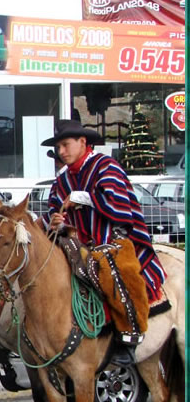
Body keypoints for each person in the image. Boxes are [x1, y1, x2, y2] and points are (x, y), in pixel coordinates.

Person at [40, 119, 165, 367]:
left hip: (110, 240)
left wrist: (85, 198)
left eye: (66, 145)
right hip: (75, 244)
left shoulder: (106, 167)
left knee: (114, 273)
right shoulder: (62, 180)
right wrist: (54, 222)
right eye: (59, 147)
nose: (62, 152)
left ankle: (128, 337)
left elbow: (121, 209)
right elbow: (54, 210)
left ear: (83, 142)